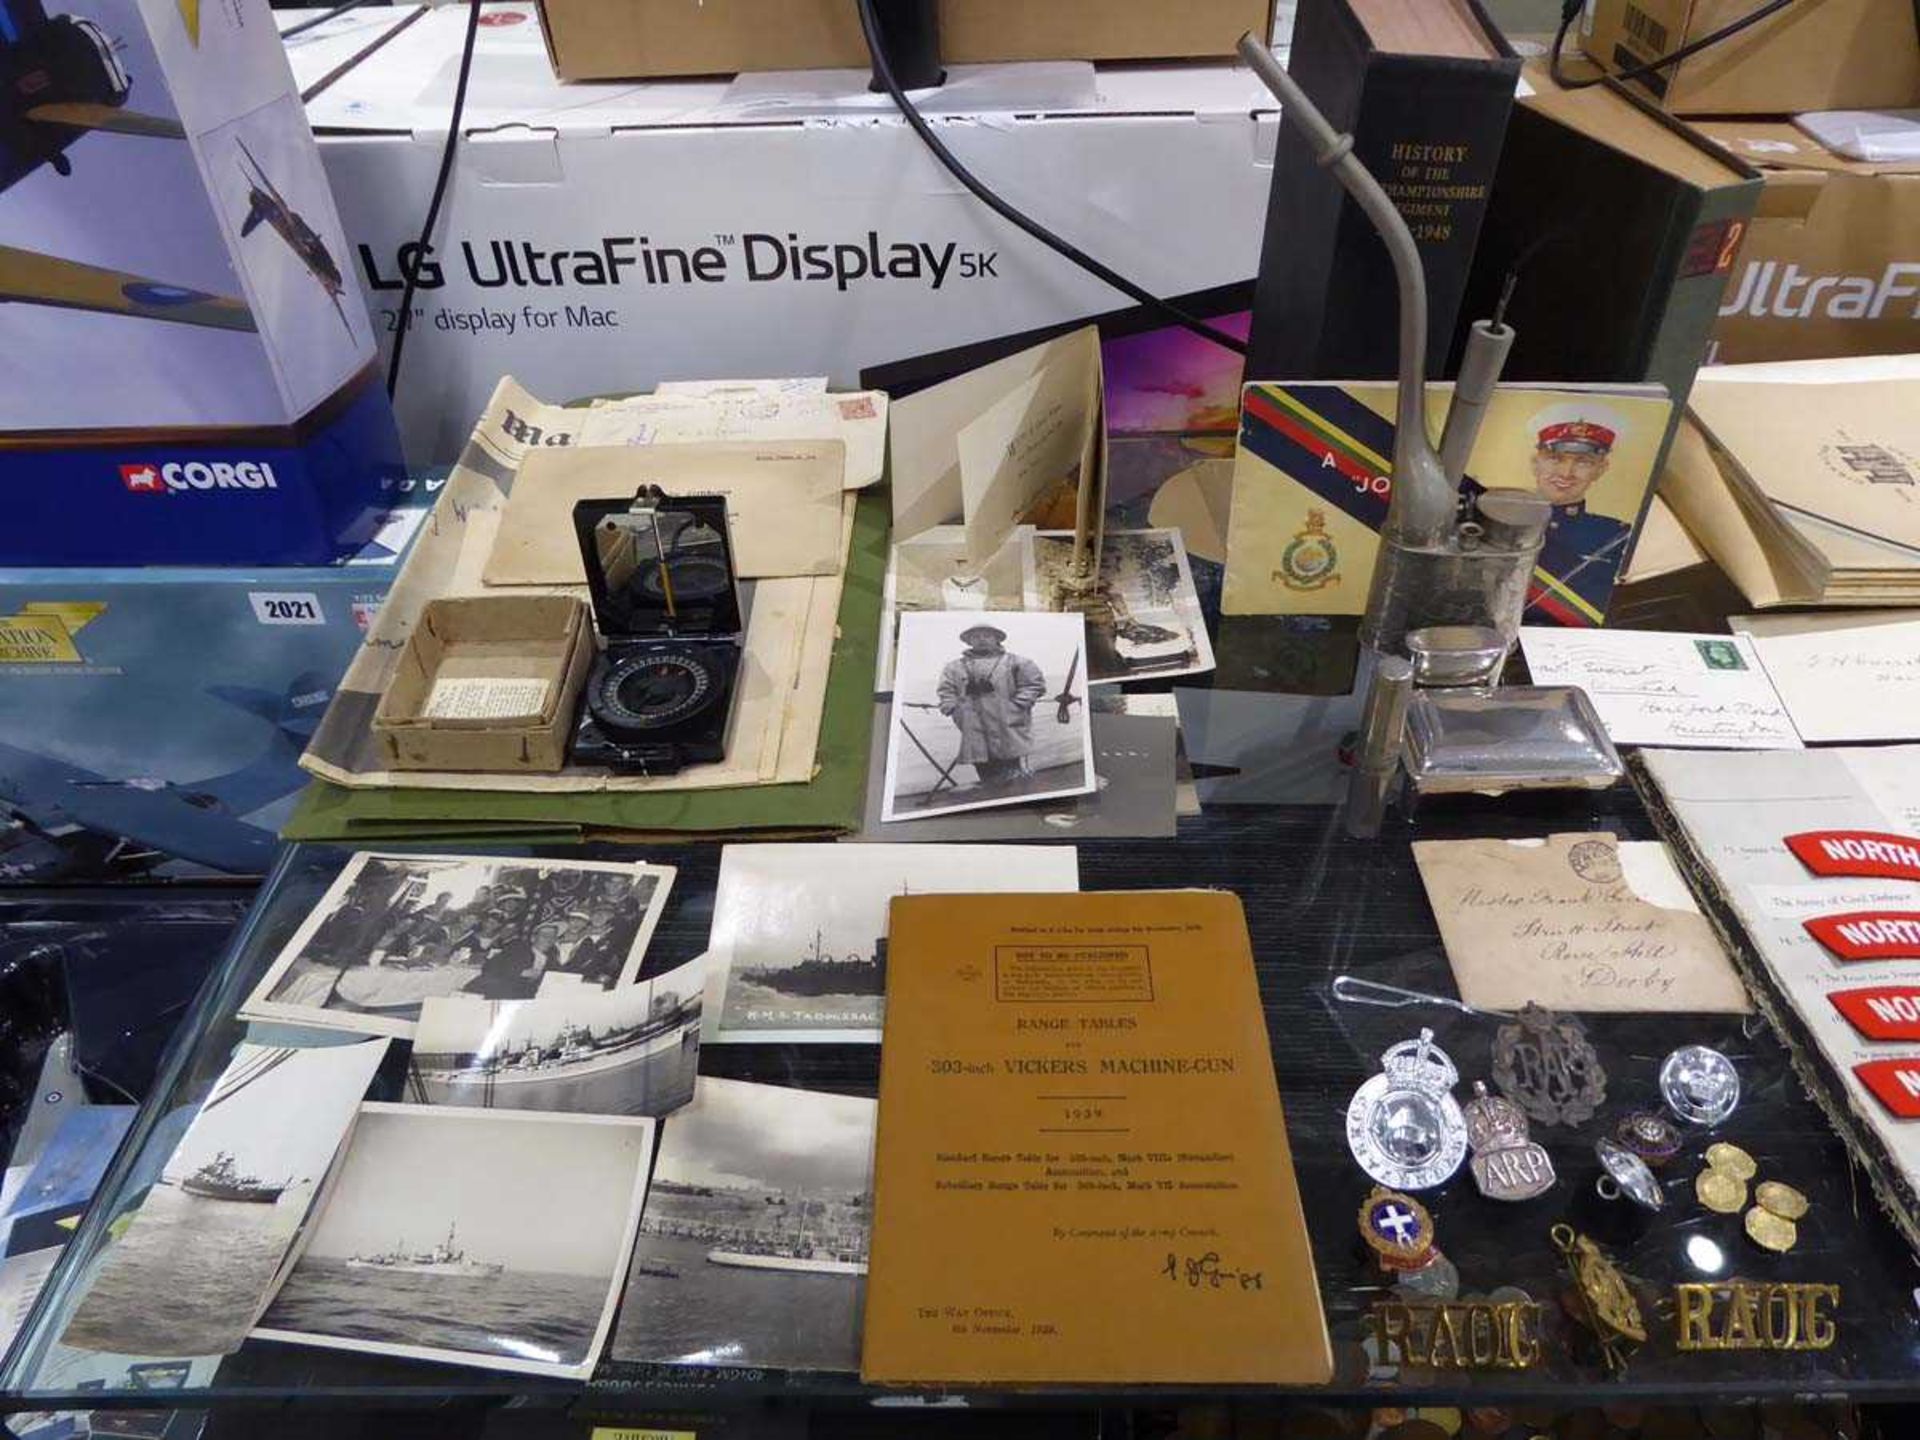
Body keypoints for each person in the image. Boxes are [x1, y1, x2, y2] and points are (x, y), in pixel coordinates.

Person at [1523, 402, 1630, 624]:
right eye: (1555, 459)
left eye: (1583, 462)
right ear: (1536, 463)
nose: (1566, 473)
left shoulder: (1613, 533)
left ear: (1600, 470)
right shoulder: (1495, 516)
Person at [934, 623, 1048, 791]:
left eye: (986, 636)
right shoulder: (954, 667)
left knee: (1011, 767)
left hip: (1007, 723)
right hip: (972, 724)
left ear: (997, 639)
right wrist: (951, 707)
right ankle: (993, 794)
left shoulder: (1018, 662)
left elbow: (1034, 685)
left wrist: (1017, 705)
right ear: (968, 641)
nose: (981, 640)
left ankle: (1014, 794)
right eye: (976, 637)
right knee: (982, 763)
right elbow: (946, 691)